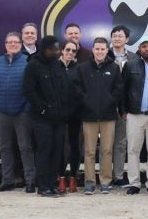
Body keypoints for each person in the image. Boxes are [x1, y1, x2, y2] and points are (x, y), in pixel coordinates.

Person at [23, 35, 77, 198]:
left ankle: (53, 185)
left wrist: (66, 111)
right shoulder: (33, 66)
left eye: (57, 49)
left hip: (59, 119)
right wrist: (43, 110)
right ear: (45, 49)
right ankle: (43, 186)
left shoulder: (57, 65)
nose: (56, 52)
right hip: (42, 118)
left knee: (57, 152)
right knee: (44, 151)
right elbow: (29, 91)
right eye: (53, 49)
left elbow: (65, 89)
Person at [0, 32, 36, 193]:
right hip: (2, 113)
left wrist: (27, 108)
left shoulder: (27, 61)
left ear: (20, 44)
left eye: (16, 42)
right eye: (10, 42)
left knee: (25, 147)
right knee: (6, 148)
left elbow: (32, 88)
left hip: (22, 113)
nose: (13, 44)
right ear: (5, 44)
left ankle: (30, 181)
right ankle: (7, 181)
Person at [74, 37, 124, 195]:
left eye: (103, 49)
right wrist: (86, 101)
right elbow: (77, 89)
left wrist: (109, 101)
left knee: (107, 150)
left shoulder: (114, 68)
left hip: (108, 115)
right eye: (97, 49)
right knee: (89, 151)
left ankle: (105, 181)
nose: (100, 52)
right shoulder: (83, 68)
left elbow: (119, 89)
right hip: (88, 115)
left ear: (106, 50)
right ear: (93, 50)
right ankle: (89, 182)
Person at [121, 36, 148, 195]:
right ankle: (134, 183)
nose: (146, 49)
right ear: (140, 48)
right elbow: (123, 89)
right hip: (134, 114)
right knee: (133, 150)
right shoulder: (130, 65)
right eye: (144, 46)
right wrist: (123, 110)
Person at [109, 25, 135, 188]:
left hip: (125, 107)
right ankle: (105, 176)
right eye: (114, 35)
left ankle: (118, 175)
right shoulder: (103, 54)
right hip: (106, 105)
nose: (117, 38)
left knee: (120, 142)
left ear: (127, 39)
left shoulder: (134, 58)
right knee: (105, 144)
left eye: (120, 36)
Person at [57, 40, 81, 193]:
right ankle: (60, 177)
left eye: (73, 51)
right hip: (58, 114)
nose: (70, 53)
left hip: (75, 114)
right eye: (68, 50)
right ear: (61, 50)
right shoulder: (54, 67)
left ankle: (73, 177)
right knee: (59, 146)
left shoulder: (78, 69)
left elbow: (82, 91)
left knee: (74, 146)